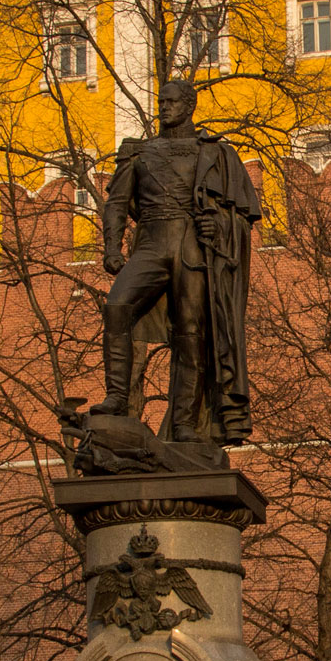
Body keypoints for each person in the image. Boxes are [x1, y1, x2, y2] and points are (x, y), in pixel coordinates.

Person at [92, 78, 260, 446]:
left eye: (170, 102)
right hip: (150, 243)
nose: (163, 107)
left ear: (189, 105)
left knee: (191, 335)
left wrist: (215, 223)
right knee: (117, 307)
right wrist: (111, 248)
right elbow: (117, 202)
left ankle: (184, 423)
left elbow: (240, 214)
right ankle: (117, 398)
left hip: (192, 249)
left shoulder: (215, 153)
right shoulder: (138, 152)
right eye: (160, 102)